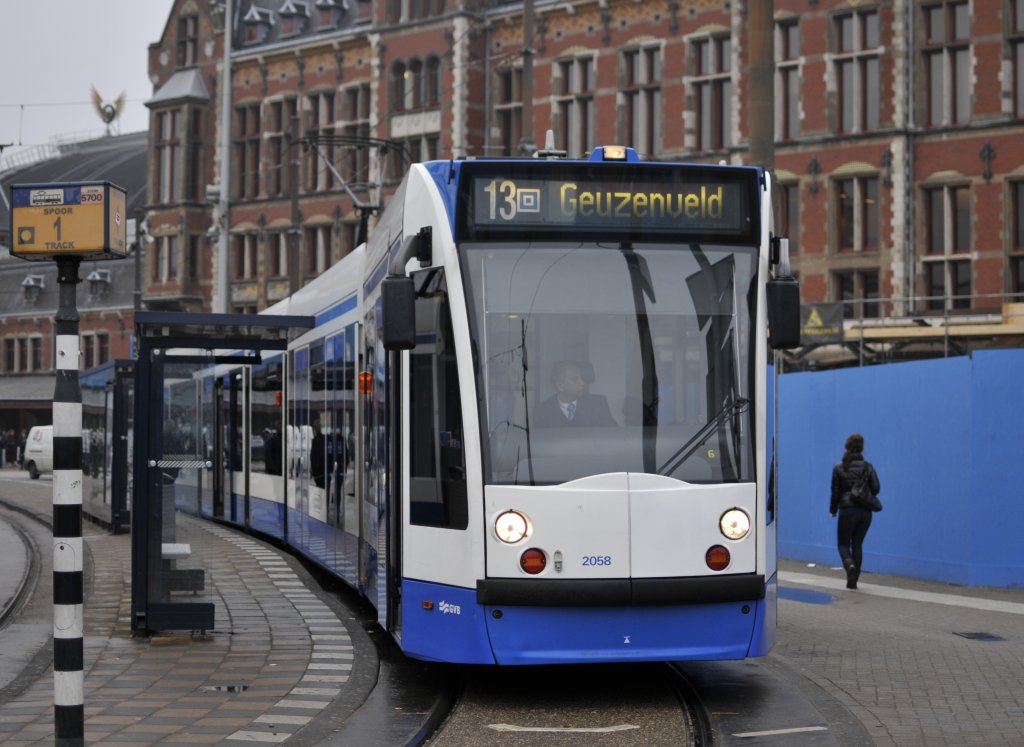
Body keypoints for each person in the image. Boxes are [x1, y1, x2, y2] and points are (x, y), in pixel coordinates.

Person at [830, 433, 880, 589]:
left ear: (847, 446)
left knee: (843, 544)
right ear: (862, 448)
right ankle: (853, 581)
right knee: (857, 544)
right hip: (865, 512)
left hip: (847, 510)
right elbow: (876, 489)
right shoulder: (868, 466)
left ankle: (849, 565)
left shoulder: (839, 467)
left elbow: (835, 493)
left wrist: (833, 510)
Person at [534, 361, 616, 428]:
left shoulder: (598, 404)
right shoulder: (542, 411)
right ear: (560, 386)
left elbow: (612, 435)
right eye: (575, 379)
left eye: (582, 378)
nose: (582, 383)